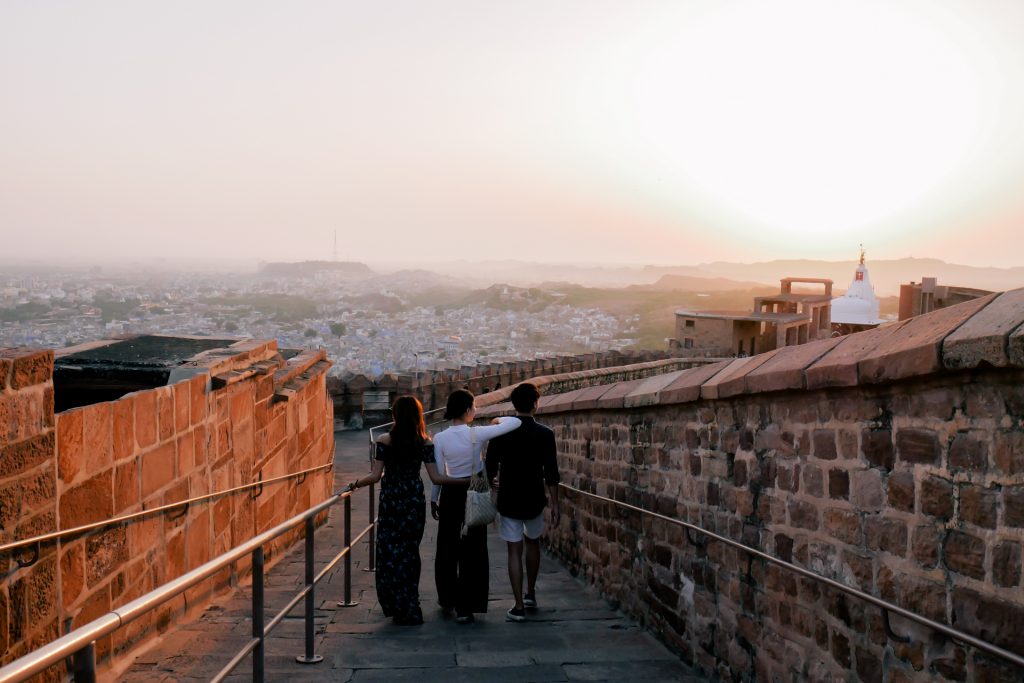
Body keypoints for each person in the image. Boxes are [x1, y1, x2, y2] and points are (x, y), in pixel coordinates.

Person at [347, 395, 468, 626]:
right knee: (410, 553)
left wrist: (354, 484)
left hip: (392, 500)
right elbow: (436, 477)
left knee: (389, 553)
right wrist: (464, 481)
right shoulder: (425, 442)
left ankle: (394, 604)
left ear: (395, 415)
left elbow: (374, 476)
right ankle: (411, 605)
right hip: (413, 501)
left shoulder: (384, 440)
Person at [431, 389, 521, 623]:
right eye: (474, 406)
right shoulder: (477, 434)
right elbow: (514, 422)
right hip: (474, 493)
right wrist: (496, 421)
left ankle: (447, 598)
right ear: (467, 409)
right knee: (473, 551)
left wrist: (434, 498)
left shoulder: (439, 438)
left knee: (447, 550)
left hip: (450, 493)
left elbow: (439, 475)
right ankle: (467, 606)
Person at [485, 382, 560, 622]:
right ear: (536, 404)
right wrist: (555, 503)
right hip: (534, 497)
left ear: (514, 405)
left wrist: (492, 483)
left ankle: (518, 605)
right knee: (533, 543)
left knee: (513, 550)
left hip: (509, 496)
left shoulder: (502, 433)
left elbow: (489, 464)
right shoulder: (545, 434)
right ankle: (530, 593)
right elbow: (551, 472)